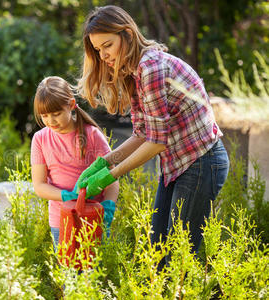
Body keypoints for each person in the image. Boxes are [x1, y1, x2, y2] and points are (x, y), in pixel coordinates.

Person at [74, 5, 230, 258]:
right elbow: (142, 133)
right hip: (177, 166)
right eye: (97, 49)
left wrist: (110, 176)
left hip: (201, 164)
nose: (102, 55)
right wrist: (103, 162)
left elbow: (156, 142)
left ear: (127, 34)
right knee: (157, 250)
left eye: (107, 45)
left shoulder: (151, 68)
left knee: (177, 256)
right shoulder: (133, 71)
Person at [31, 76, 120, 250]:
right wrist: (67, 196)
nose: (51, 121)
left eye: (56, 114)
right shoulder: (40, 139)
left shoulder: (92, 135)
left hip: (94, 217)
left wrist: (108, 207)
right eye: (45, 116)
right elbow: (39, 186)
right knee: (67, 273)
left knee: (94, 272)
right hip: (61, 220)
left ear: (71, 105)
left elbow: (112, 178)